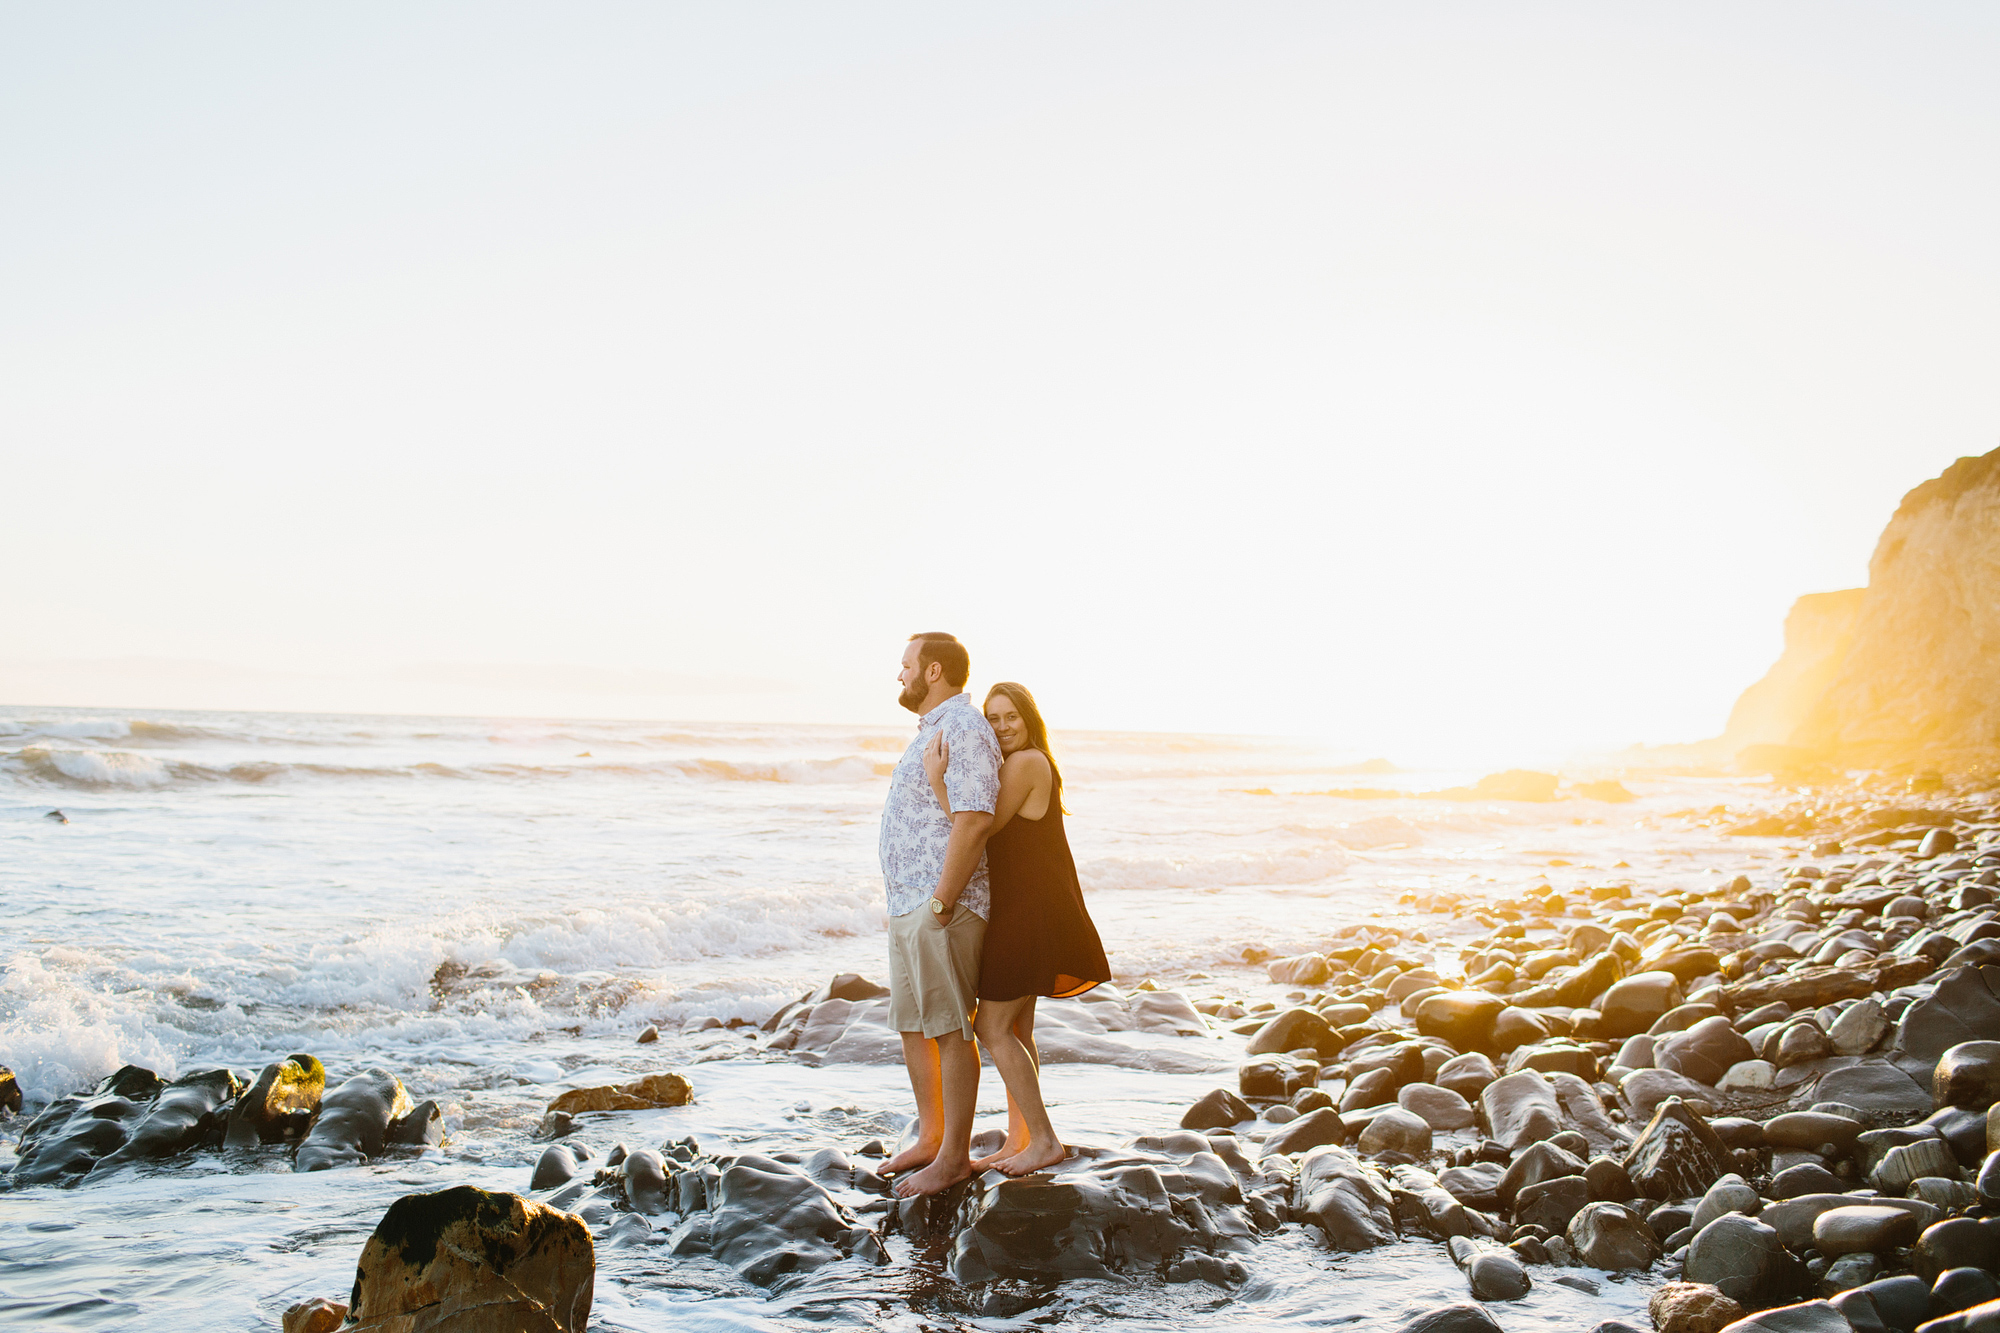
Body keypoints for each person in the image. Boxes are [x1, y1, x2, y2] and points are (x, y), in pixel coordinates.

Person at [923, 680, 1109, 1177]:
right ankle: (1020, 1138)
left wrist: (937, 779)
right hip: (1027, 908)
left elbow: (977, 827)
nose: (1003, 727)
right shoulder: (1018, 765)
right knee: (1018, 1031)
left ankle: (1044, 1141)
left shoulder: (1028, 763)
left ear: (1029, 720)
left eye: (1012, 717)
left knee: (991, 1026)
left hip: (1031, 912)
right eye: (994, 718)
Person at [876, 631, 1002, 1197]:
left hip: (940, 908)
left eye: (905, 666)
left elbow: (974, 820)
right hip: (911, 903)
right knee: (914, 1025)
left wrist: (942, 904)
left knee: (950, 1030)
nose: (898, 675)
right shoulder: (931, 732)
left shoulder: (965, 728)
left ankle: (953, 1157)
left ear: (933, 671)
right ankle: (931, 1137)